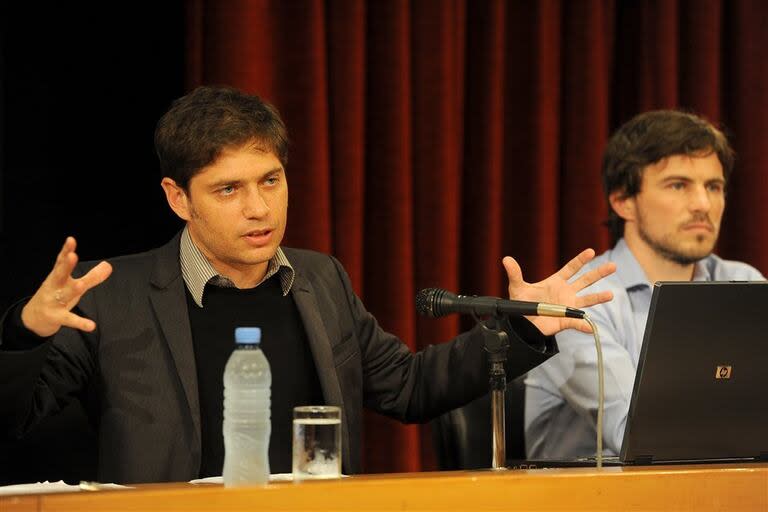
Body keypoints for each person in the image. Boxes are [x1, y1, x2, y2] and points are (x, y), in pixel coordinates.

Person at [0, 86, 614, 484]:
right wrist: (27, 333)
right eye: (229, 190)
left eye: (270, 180)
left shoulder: (319, 277)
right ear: (177, 198)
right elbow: (15, 419)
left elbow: (408, 387)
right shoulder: (113, 294)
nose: (259, 208)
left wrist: (524, 327)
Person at [524, 109, 765, 459]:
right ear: (623, 201)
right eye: (678, 185)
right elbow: (639, 437)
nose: (703, 205)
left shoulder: (746, 283)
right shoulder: (579, 298)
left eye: (714, 187)